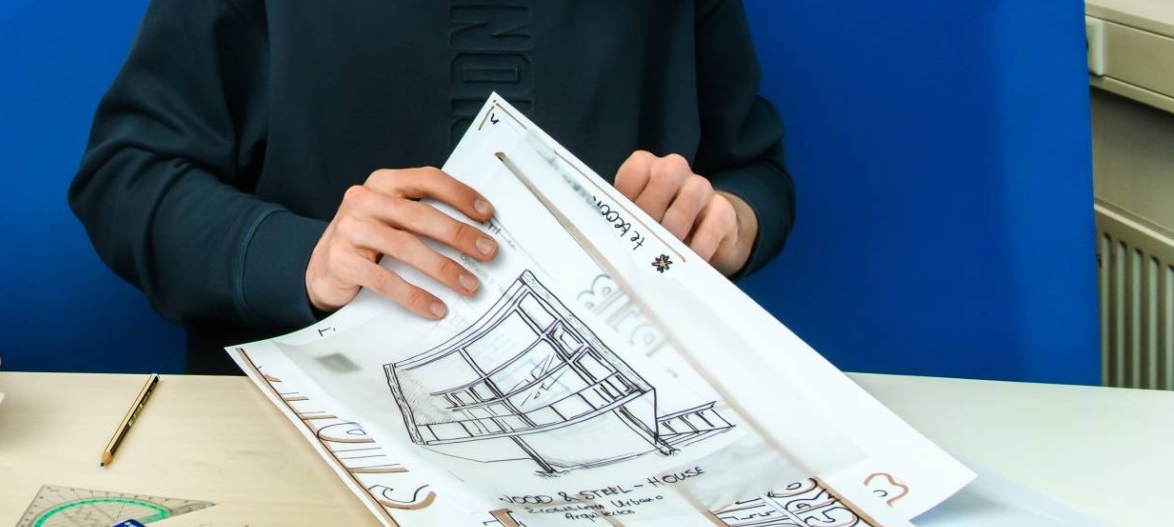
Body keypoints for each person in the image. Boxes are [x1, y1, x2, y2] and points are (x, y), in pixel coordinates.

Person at [72, 0, 795, 374]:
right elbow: (126, 180)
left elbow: (755, 175)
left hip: (623, 413)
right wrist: (306, 258)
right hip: (308, 406)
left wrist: (727, 222)